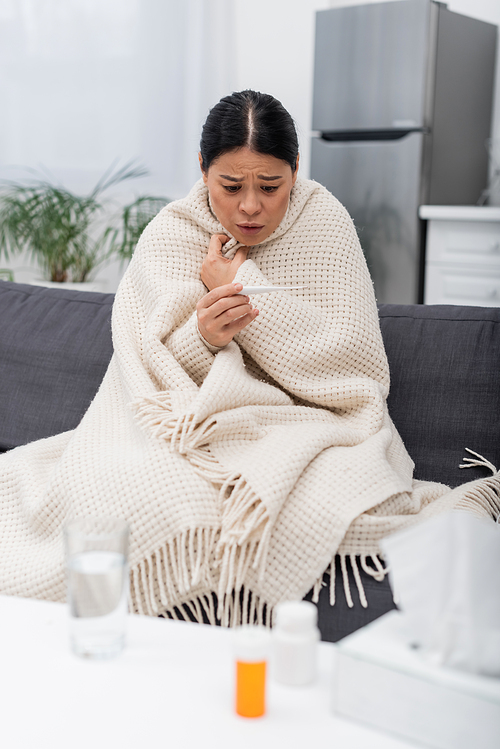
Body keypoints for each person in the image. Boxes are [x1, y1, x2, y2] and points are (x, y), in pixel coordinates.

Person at [0, 91, 499, 632]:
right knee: (141, 490)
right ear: (202, 170)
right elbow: (143, 363)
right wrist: (205, 336)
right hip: (188, 421)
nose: (250, 207)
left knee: (296, 494)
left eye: (270, 186)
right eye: (231, 187)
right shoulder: (172, 233)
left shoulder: (324, 223)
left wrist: (241, 287)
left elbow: (356, 365)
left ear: (296, 171)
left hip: (305, 421)